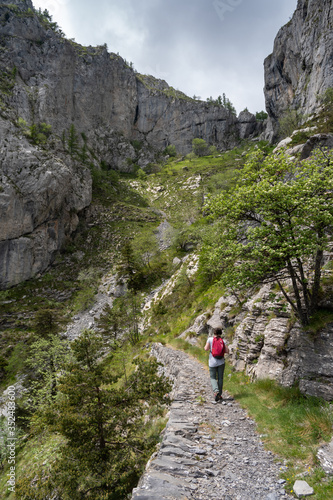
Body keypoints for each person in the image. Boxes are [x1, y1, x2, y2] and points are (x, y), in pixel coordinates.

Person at [204, 328, 229, 402]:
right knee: (220, 378)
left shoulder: (210, 339)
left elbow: (206, 349)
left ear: (214, 333)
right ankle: (220, 394)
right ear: (221, 333)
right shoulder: (223, 341)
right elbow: (227, 351)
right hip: (221, 362)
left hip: (212, 362)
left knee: (213, 378)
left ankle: (216, 391)